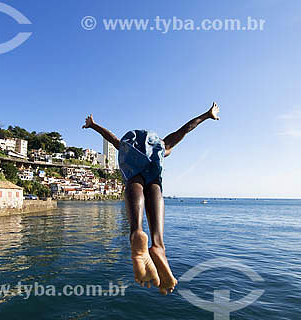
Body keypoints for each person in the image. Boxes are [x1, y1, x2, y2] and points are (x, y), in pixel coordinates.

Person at [83, 102, 220, 295]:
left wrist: (93, 125)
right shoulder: (164, 147)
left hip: (129, 142)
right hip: (155, 144)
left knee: (134, 180)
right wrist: (207, 115)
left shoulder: (142, 145)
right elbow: (186, 129)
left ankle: (136, 232)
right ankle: (158, 245)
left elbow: (111, 138)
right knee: (154, 185)